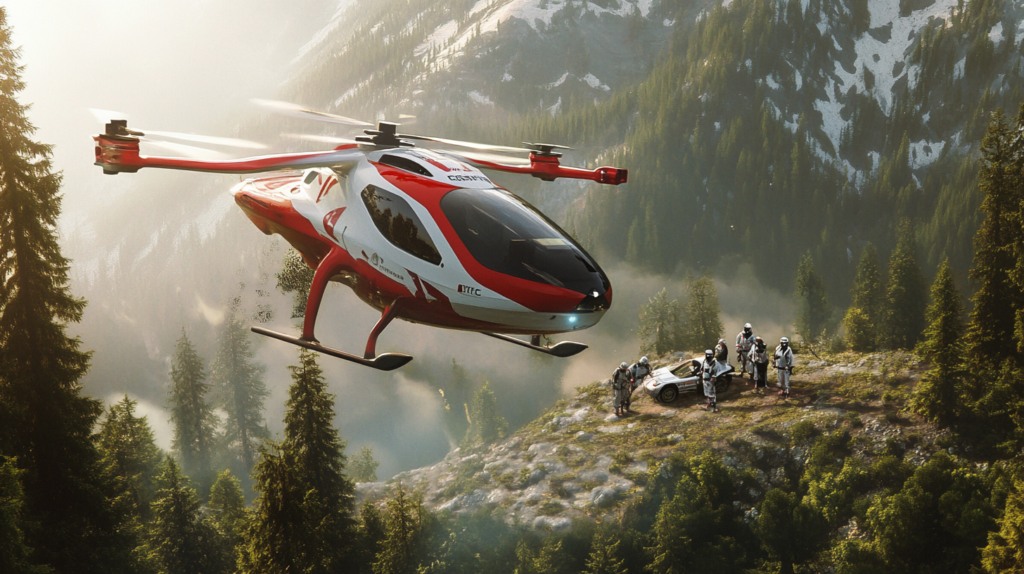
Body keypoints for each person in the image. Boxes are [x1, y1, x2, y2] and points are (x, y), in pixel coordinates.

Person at [700, 349, 727, 413]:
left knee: (711, 394)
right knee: (706, 393)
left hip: (710, 380)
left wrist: (712, 377)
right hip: (705, 379)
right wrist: (701, 372)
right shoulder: (704, 361)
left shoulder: (714, 362)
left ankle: (715, 408)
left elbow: (716, 371)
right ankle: (708, 404)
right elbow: (702, 368)